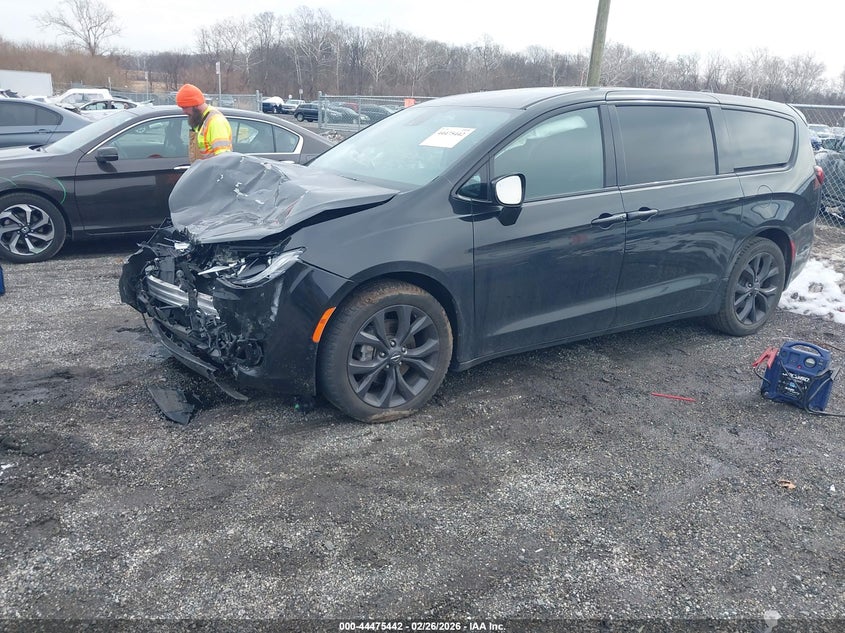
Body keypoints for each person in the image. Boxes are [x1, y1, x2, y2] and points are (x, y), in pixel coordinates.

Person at [175, 83, 232, 163]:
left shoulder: (215, 122)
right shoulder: (199, 120)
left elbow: (224, 160)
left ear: (195, 104)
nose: (184, 112)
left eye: (185, 107)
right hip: (203, 172)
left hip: (213, 174)